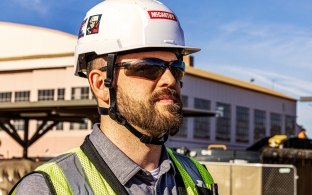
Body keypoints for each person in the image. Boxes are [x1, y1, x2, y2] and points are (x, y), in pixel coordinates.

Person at [10, 0, 218, 194]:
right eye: (149, 67)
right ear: (101, 85)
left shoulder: (197, 175)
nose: (170, 80)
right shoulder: (48, 188)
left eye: (176, 68)